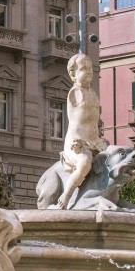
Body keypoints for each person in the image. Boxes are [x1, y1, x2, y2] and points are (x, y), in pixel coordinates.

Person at [57, 53, 109, 206]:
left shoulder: (93, 93)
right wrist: (81, 142)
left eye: (90, 68)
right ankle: (66, 196)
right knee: (85, 163)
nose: (88, 72)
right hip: (77, 142)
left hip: (94, 141)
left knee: (115, 158)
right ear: (73, 74)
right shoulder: (75, 92)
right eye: (83, 68)